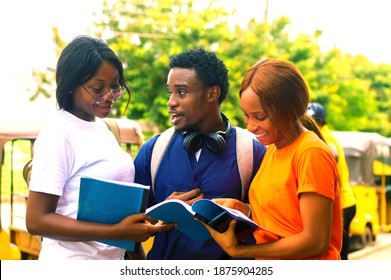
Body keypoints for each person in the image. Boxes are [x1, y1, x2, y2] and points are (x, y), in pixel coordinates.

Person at [25, 35, 173, 260]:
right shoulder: (59, 133)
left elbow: (121, 218)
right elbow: (37, 220)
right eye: (97, 88)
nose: (109, 97)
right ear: (71, 85)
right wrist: (116, 232)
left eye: (114, 86)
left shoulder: (104, 130)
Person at [203, 58, 343, 260]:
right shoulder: (272, 149)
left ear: (289, 110)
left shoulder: (310, 152)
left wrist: (239, 251)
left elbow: (315, 241)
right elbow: (285, 218)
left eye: (260, 117)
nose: (250, 126)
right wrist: (246, 211)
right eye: (246, 116)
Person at [134, 48, 267, 260]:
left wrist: (245, 210)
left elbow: (275, 222)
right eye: (170, 92)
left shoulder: (254, 152)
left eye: (182, 92)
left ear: (212, 94)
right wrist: (160, 212)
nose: (171, 102)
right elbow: (128, 227)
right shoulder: (153, 151)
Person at [307, 102, 357, 260]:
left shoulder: (324, 140)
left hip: (342, 204)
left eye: (313, 120)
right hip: (345, 202)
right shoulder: (324, 136)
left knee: (336, 254)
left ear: (320, 122)